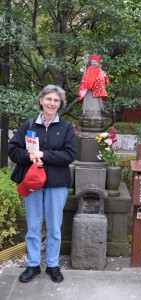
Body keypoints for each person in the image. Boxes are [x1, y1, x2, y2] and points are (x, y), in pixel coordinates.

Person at [8, 85, 76, 283]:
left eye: (56, 101)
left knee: (54, 227)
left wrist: (44, 155)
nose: (52, 103)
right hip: (31, 182)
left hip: (57, 184)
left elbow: (70, 154)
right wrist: (30, 156)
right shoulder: (28, 125)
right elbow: (13, 149)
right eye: (49, 99)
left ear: (60, 104)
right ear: (41, 101)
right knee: (33, 226)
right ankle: (33, 265)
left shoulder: (65, 127)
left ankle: (53, 265)